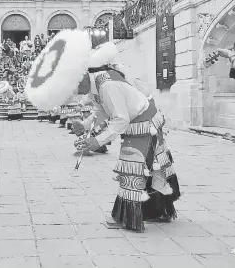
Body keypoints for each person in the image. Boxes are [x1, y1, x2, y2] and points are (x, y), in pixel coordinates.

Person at [25, 31, 180, 233]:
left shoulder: (106, 85)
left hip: (143, 124)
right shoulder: (95, 82)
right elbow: (101, 112)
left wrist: (97, 141)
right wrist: (86, 124)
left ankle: (129, 218)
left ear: (80, 77)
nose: (75, 93)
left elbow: (120, 119)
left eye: (74, 88)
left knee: (131, 167)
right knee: (150, 166)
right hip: (142, 122)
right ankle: (157, 211)